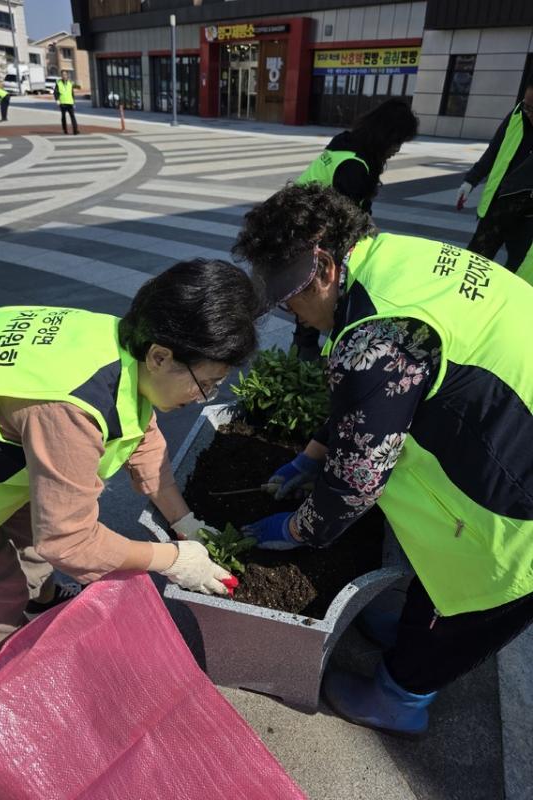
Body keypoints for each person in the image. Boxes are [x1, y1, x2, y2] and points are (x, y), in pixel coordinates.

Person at [232, 182, 533, 737]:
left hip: (519, 500)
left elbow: (357, 480)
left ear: (324, 268)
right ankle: (414, 631)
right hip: (511, 415)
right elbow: (378, 397)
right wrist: (312, 455)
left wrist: (299, 528)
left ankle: (401, 695)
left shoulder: (379, 332)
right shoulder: (391, 259)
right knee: (443, 577)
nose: (294, 315)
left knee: (475, 595)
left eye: (292, 297)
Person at [0, 258, 258, 675]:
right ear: (160, 357)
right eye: (205, 384)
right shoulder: (70, 409)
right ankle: (14, 687)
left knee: (34, 531)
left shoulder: (123, 342)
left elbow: (142, 437)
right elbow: (68, 541)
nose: (203, 397)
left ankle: (42, 601)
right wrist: (171, 559)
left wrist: (185, 522)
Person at [292, 99, 419, 360]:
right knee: (318, 289)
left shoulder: (347, 144)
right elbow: (343, 219)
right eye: (397, 142)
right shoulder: (354, 166)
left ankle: (304, 348)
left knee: (314, 288)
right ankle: (306, 352)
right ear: (385, 136)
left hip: (302, 223)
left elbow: (354, 211)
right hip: (308, 230)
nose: (397, 150)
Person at [457, 73, 533, 278]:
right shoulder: (517, 114)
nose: (529, 113)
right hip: (499, 203)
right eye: (527, 106)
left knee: (518, 270)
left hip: (528, 215)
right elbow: (493, 151)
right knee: (473, 261)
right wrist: (470, 181)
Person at [54, 70, 79, 135]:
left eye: (65, 74)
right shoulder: (58, 83)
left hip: (70, 102)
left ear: (67, 75)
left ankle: (75, 130)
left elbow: (72, 93)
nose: (64, 76)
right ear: (61, 76)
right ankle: (65, 129)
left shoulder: (70, 83)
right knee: (63, 117)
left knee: (73, 116)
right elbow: (56, 93)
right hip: (62, 103)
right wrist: (57, 100)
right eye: (62, 75)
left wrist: (74, 102)